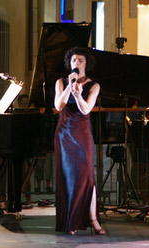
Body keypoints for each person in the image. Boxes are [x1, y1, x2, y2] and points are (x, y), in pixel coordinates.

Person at [54, 47, 104, 235]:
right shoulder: (61, 82)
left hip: (82, 133)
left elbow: (85, 110)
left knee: (87, 176)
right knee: (68, 177)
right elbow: (58, 106)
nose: (76, 63)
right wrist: (69, 87)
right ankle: (71, 221)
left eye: (80, 60)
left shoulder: (94, 86)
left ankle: (93, 219)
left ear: (86, 64)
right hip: (64, 133)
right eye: (74, 60)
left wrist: (78, 94)